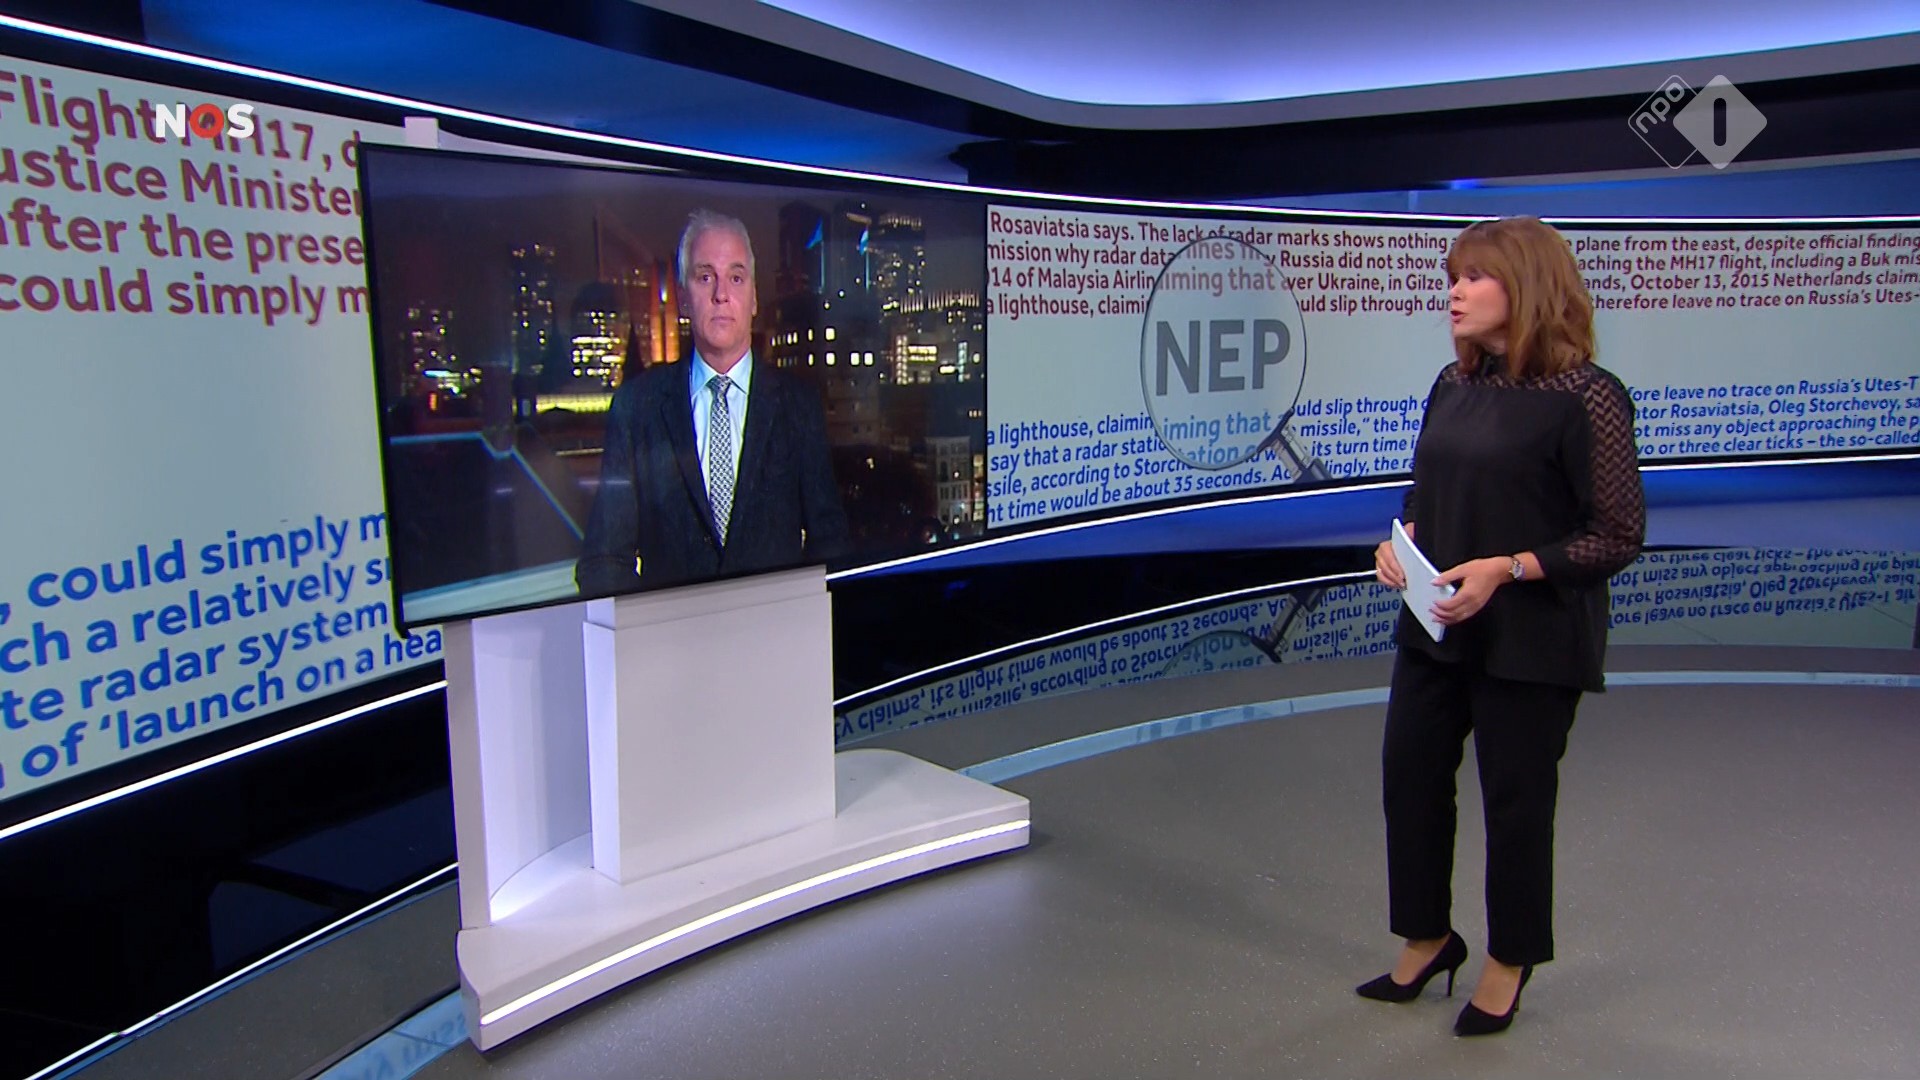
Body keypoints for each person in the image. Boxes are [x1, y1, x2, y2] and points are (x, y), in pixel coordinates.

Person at [1356, 216, 1645, 1037]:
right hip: (1438, 623)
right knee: (1409, 777)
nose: (1455, 291)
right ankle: (1427, 937)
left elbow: (1616, 535)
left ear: (1527, 287)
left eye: (1475, 277)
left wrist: (1509, 567)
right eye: (1453, 276)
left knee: (1515, 803)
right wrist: (1399, 542)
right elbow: (1426, 493)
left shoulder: (1588, 396)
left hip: (1532, 638)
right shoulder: (1453, 385)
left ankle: (1508, 960)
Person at [575, 209, 850, 595]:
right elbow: (603, 560)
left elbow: (831, 542)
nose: (721, 294)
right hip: (671, 630)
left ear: (754, 298)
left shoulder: (798, 405)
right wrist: (652, 625)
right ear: (683, 297)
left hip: (774, 628)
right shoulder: (637, 408)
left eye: (736, 278)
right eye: (705, 277)